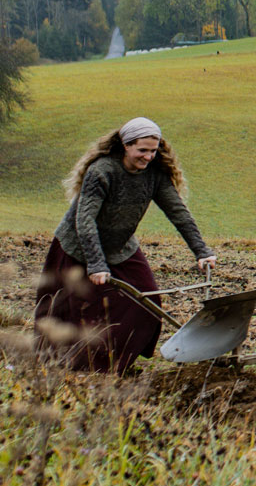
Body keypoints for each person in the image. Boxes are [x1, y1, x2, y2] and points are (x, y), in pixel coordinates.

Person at [33, 116, 216, 373]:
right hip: (78, 248)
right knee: (77, 310)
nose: (148, 157)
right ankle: (69, 369)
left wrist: (202, 251)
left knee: (146, 302)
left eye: (153, 151)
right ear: (126, 146)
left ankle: (111, 365)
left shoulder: (154, 175)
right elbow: (84, 220)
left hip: (120, 247)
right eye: (142, 150)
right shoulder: (102, 171)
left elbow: (178, 213)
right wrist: (96, 264)